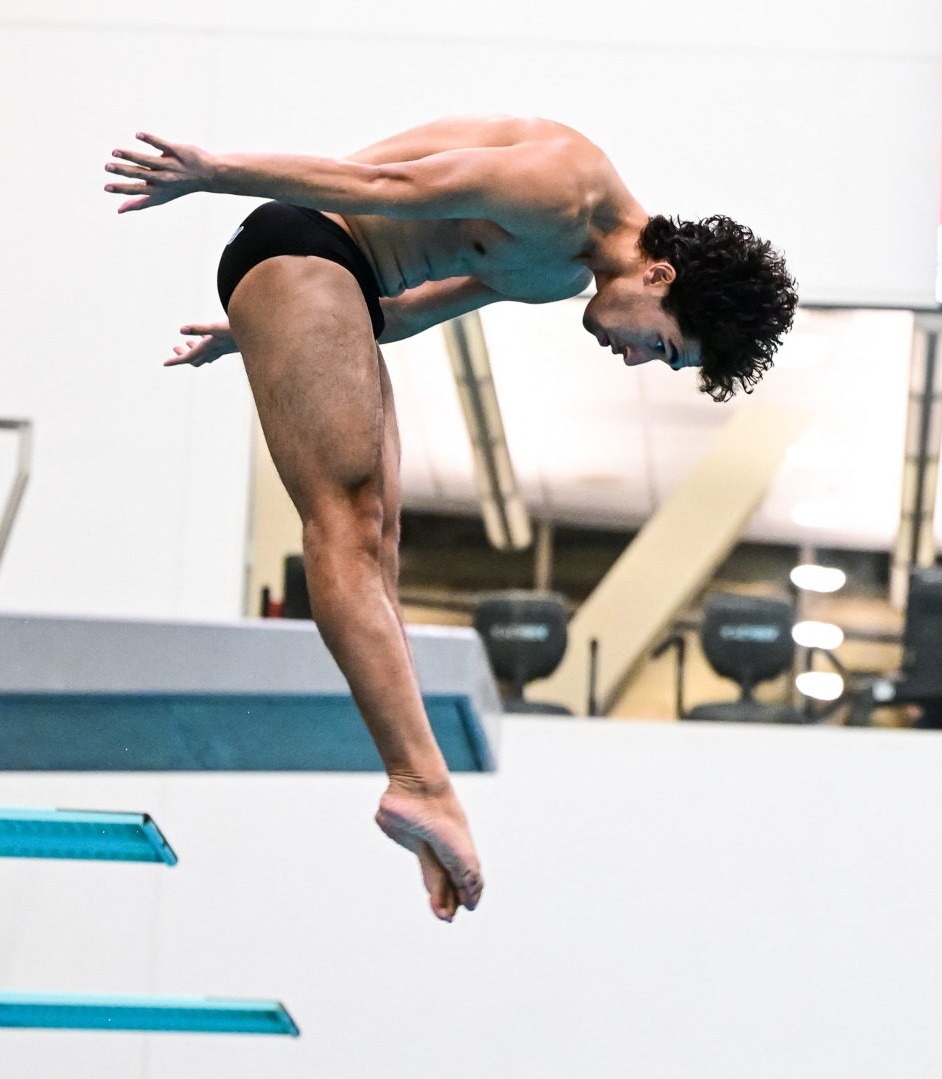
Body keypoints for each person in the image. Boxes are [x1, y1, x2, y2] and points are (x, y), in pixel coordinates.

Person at [102, 115, 798, 921]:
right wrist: (215, 169)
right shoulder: (564, 186)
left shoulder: (559, 274)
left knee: (380, 546)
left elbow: (402, 314)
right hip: (305, 242)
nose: (639, 360)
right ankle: (420, 783)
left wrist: (253, 333)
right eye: (665, 347)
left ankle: (418, 791)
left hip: (336, 289)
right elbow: (379, 189)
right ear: (662, 277)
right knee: (346, 526)